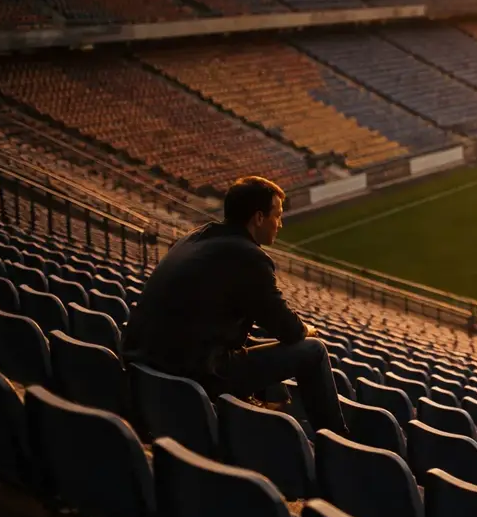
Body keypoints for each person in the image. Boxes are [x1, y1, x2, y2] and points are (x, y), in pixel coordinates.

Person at [124, 176, 347, 434]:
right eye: (277, 216)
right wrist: (306, 329)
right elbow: (289, 329)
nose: (281, 224)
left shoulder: (195, 238)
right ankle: (336, 441)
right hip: (193, 372)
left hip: (146, 364)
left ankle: (257, 403)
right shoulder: (249, 257)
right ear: (259, 218)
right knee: (314, 350)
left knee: (250, 340)